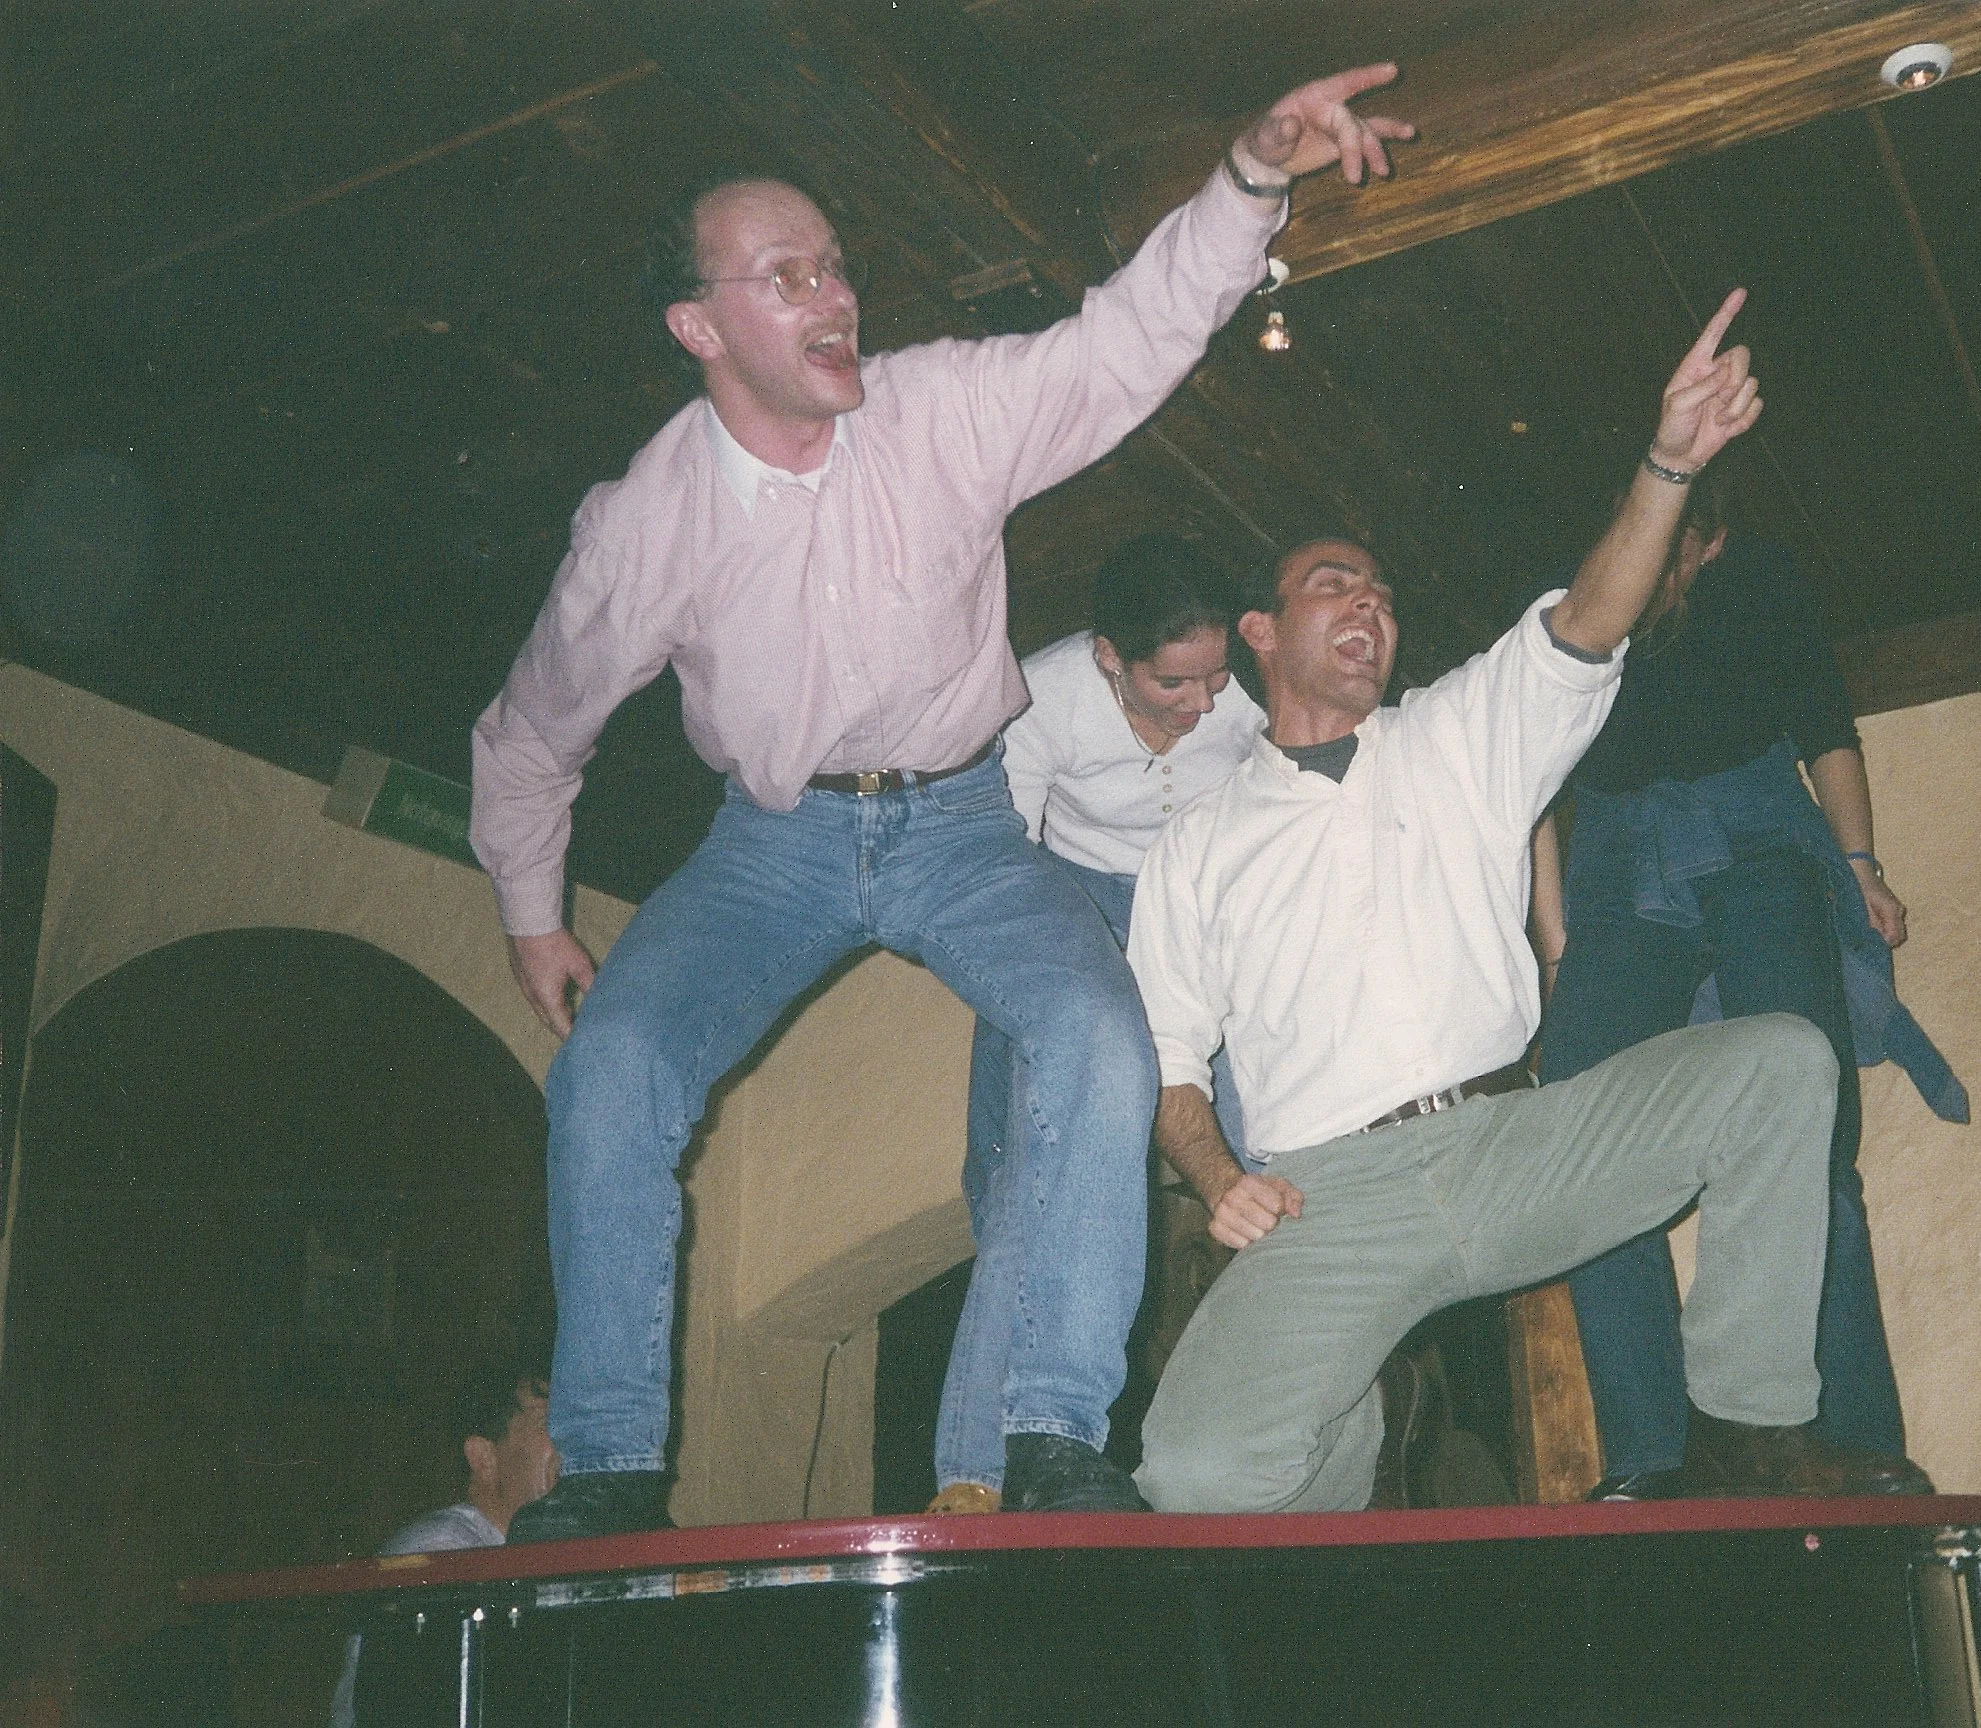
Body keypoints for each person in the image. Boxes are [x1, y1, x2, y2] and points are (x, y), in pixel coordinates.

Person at [471, 64, 1414, 1533]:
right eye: (785, 277)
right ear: (701, 327)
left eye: (835, 262)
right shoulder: (641, 525)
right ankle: (601, 1468)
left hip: (967, 826)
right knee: (612, 1068)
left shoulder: (941, 415)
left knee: (1099, 1032)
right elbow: (533, 733)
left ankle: (1048, 1433)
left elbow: (1121, 349)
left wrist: (1246, 176)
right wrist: (534, 914)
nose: (834, 293)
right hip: (770, 847)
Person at [1125, 291, 1934, 1513]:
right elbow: (1168, 1060)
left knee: (1778, 1060)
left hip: (1512, 1143)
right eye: (1336, 586)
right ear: (1257, 632)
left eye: (1385, 594)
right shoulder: (1194, 844)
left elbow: (1586, 620)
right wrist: (1215, 1169)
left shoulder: (1454, 738)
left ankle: (1744, 1426)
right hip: (1325, 1196)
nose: (1372, 608)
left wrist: (1667, 465)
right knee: (1192, 1475)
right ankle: (1364, 1432)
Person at [1527, 474, 1966, 1500]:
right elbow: (1530, 778)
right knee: (1582, 1140)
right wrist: (1556, 943)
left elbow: (1824, 726)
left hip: (1759, 836)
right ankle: (1650, 1453)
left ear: (1712, 546)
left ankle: (1846, 1438)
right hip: (1622, 858)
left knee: (1808, 1136)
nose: (1666, 571)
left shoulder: (1760, 576)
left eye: (1684, 553)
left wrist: (1860, 867)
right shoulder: (1576, 591)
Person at [933, 533, 1265, 1513]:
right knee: (1033, 1168)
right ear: (1109, 656)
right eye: (1175, 682)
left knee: (1269, 1144)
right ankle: (972, 1468)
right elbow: (1004, 870)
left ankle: (1276, 1440)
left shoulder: (1239, 690)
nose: (1204, 702)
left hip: (1202, 901)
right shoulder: (1037, 698)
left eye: (1216, 677)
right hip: (1064, 901)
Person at [329, 1367, 559, 1726]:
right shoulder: (439, 1552)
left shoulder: (528, 1552)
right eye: (549, 1421)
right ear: (484, 1458)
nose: (573, 1439)